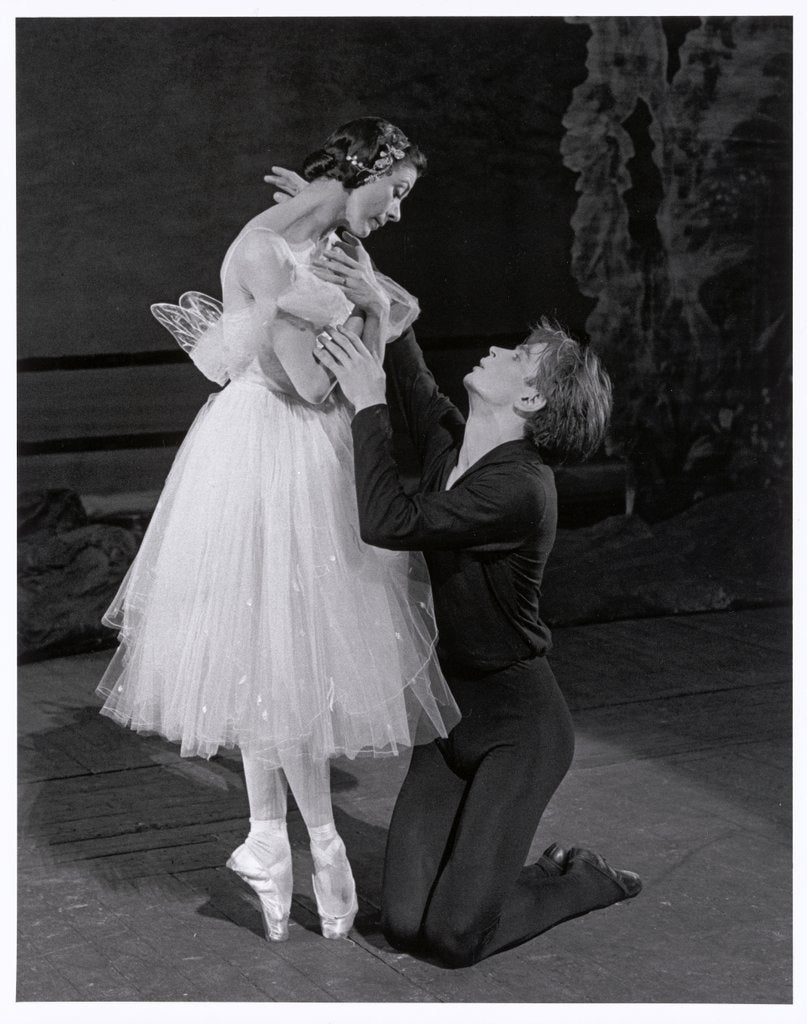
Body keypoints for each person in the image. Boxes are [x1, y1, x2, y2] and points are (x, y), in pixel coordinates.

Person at [96, 118, 459, 944]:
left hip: (300, 450)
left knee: (278, 648)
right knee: (276, 640)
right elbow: (304, 384)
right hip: (273, 450)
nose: (399, 211)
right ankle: (316, 844)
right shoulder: (266, 251)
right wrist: (368, 319)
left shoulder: (311, 237)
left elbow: (375, 303)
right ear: (365, 170)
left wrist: (348, 267)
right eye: (395, 191)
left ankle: (272, 840)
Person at [312, 295, 642, 968]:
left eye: (517, 358)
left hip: (519, 730)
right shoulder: (458, 455)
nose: (496, 351)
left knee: (454, 939)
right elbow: (422, 395)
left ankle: (582, 879)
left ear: (530, 403)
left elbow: (389, 521)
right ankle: (491, 881)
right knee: (405, 926)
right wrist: (394, 322)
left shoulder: (520, 488)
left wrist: (366, 403)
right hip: (450, 722)